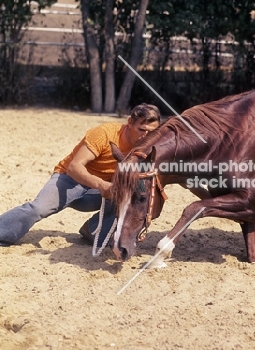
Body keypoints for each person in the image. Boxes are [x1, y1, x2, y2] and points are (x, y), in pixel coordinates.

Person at [0, 103, 161, 249]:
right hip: (69, 180)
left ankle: (92, 230)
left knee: (133, 196)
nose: (146, 136)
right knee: (38, 208)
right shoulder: (104, 133)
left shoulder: (148, 148)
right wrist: (101, 185)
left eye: (151, 132)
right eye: (142, 130)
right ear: (130, 122)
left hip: (98, 193)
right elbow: (74, 168)